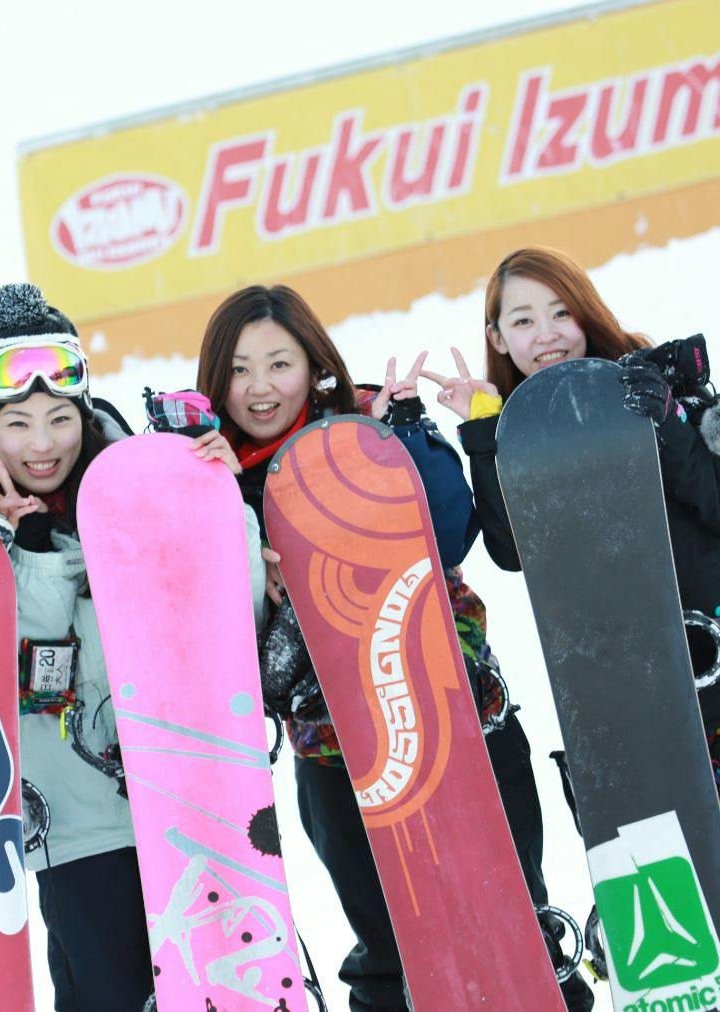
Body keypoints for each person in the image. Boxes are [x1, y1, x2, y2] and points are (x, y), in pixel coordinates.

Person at [433, 245, 720, 1009]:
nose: (548, 335)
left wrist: (663, 415)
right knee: (681, 908)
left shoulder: (664, 382)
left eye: (560, 311)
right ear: (498, 337)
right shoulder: (519, 428)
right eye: (523, 320)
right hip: (624, 715)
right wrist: (484, 431)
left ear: (585, 307)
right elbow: (511, 550)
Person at [192, 285, 591, 1012]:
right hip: (334, 752)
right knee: (391, 947)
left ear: (314, 366)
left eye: (278, 364)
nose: (258, 388)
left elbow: (448, 535)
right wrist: (215, 502)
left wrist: (403, 435)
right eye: (239, 369)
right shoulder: (210, 474)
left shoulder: (367, 424)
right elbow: (216, 637)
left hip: (455, 718)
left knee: (511, 926)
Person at [0, 283, 155, 1010]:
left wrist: (215, 495)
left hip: (184, 802)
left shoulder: (141, 485)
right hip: (78, 829)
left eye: (60, 418)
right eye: (19, 423)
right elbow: (41, 690)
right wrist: (33, 554)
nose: (43, 444)